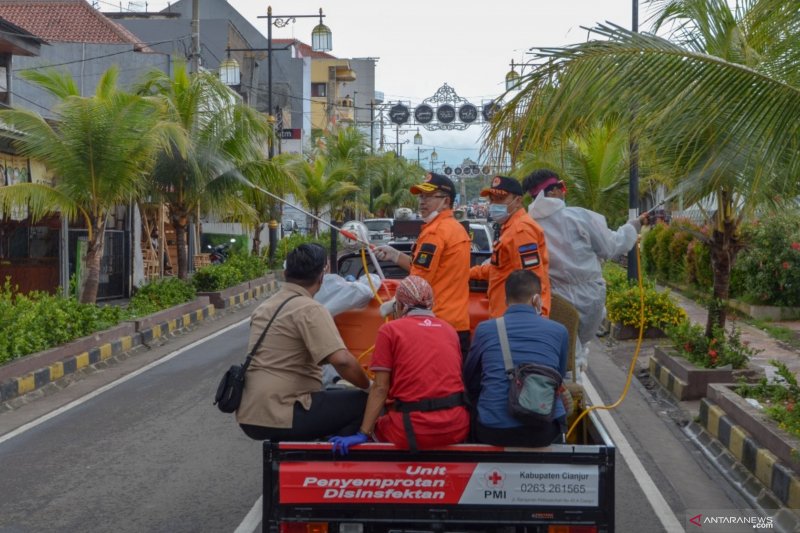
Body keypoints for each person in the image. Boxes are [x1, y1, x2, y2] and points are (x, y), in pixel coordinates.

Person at [236, 243, 371, 441]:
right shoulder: (310, 309)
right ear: (322, 277)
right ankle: (335, 466)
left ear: (285, 272)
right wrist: (369, 386)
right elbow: (342, 361)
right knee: (365, 402)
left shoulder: (264, 307)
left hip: (250, 415)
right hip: (284, 412)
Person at [330, 276, 470, 454]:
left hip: (411, 429)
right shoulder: (450, 330)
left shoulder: (390, 330)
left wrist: (363, 433)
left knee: (355, 421)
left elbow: (380, 388)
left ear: (401, 306)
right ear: (431, 304)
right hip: (456, 427)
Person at [523, 169, 645, 371]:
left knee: (563, 352)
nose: (564, 192)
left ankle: (562, 393)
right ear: (552, 192)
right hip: (589, 297)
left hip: (552, 300)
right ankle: (575, 397)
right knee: (575, 356)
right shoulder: (578, 217)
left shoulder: (528, 224)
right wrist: (633, 226)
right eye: (561, 188)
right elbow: (611, 247)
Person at [464, 269, 568, 447]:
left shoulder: (485, 330)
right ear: (536, 299)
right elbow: (558, 377)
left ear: (505, 300)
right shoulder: (559, 331)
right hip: (543, 430)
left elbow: (468, 377)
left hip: (492, 429)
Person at [374, 172, 472, 357]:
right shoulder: (455, 228)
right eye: (421, 196)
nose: (422, 201)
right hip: (456, 322)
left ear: (446, 201)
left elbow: (419, 280)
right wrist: (395, 256)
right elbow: (433, 268)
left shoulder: (435, 233)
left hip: (434, 323)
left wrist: (395, 302)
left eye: (429, 196)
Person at [469, 176, 551, 318]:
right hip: (506, 316)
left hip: (516, 322)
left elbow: (531, 281)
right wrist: (471, 272)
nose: (494, 204)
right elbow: (501, 268)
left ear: (518, 200)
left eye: (500, 199)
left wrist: (534, 320)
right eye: (492, 199)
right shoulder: (510, 228)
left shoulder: (521, 231)